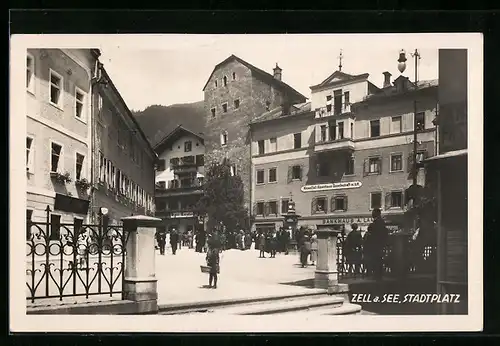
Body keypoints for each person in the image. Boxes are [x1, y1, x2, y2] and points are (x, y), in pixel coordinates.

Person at [366, 208, 389, 280]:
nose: (372, 214)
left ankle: (377, 275)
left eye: (373, 212)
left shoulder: (376, 223)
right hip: (380, 244)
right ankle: (378, 275)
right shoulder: (381, 222)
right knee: (378, 259)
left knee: (376, 260)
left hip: (375, 244)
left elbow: (371, 231)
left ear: (376, 214)